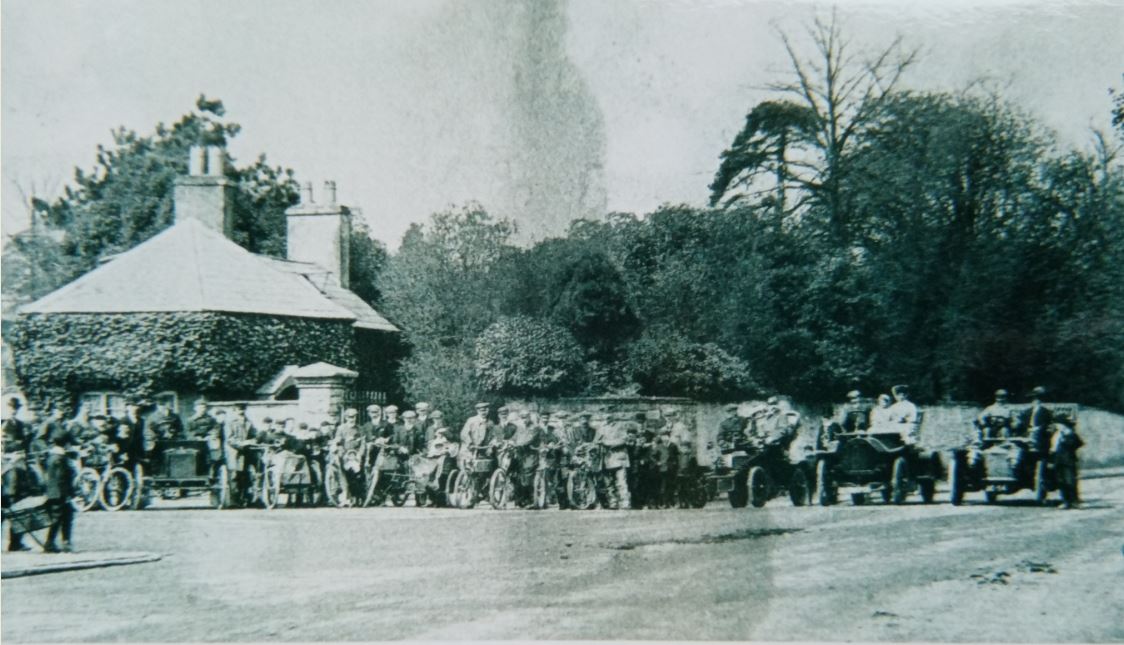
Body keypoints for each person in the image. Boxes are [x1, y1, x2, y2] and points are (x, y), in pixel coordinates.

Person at [42, 433, 77, 553]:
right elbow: (63, 478)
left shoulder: (52, 457)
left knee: (66, 517)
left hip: (54, 493)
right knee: (58, 519)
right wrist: (70, 494)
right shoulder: (61, 459)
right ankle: (51, 543)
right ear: (66, 444)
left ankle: (64, 542)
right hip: (60, 493)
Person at [595, 413, 632, 510]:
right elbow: (596, 441)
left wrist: (607, 443)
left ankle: (625, 502)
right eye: (604, 415)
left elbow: (624, 440)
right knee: (609, 483)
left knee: (621, 482)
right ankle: (613, 502)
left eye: (608, 415)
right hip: (606, 459)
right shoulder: (601, 428)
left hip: (618, 457)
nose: (606, 417)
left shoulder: (620, 426)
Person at [1025, 386, 1054, 452]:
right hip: (1028, 431)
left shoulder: (1045, 411)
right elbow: (1024, 423)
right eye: (1033, 399)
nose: (1035, 401)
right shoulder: (1027, 411)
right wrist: (1028, 429)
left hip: (1040, 432)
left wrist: (1038, 428)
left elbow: (1047, 423)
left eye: (1037, 398)